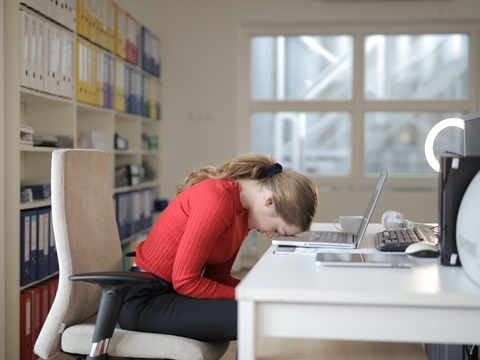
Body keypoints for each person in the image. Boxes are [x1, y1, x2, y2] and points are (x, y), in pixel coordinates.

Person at [118, 153, 318, 342]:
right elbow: (186, 281)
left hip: (172, 294)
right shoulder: (217, 199)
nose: (270, 235)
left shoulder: (243, 214)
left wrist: (261, 292)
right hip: (145, 300)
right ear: (270, 202)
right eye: (277, 229)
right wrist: (250, 294)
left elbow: (218, 276)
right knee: (257, 317)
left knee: (262, 310)